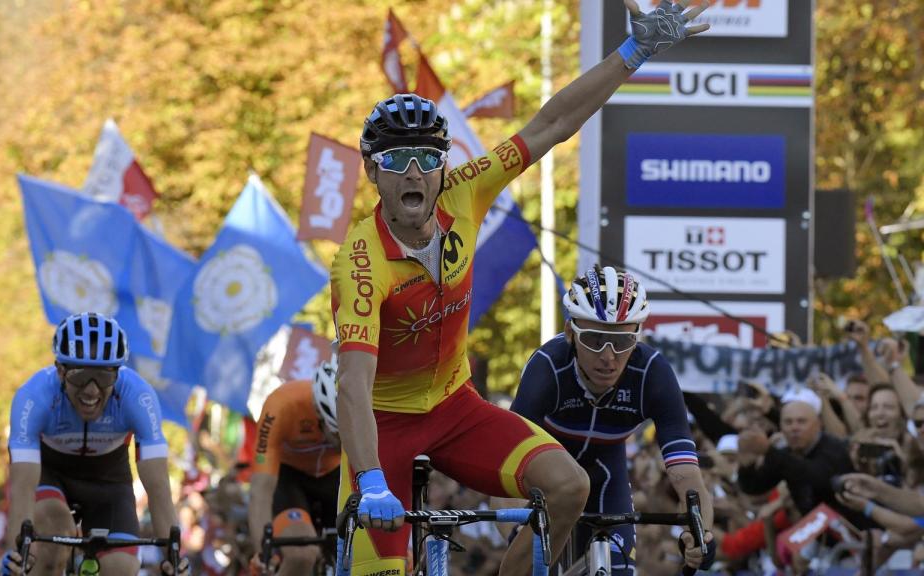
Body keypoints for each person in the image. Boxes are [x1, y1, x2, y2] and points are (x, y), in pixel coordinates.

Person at [330, 2, 711, 573]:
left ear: (442, 166)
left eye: (426, 159)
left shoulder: (465, 192)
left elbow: (552, 124)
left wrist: (633, 53)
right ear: (372, 171)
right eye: (396, 160)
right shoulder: (360, 262)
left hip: (458, 407)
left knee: (568, 486)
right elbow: (354, 386)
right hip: (383, 428)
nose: (413, 172)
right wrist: (372, 481)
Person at [511, 266, 716, 574]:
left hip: (607, 476)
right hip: (544, 479)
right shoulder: (547, 369)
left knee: (618, 569)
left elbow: (686, 474)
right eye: (594, 339)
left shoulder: (653, 374)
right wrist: (513, 531)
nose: (608, 357)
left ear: (638, 336)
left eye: (622, 341)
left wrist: (701, 534)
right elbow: (507, 464)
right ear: (570, 334)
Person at [1, 312, 189, 576]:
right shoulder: (34, 397)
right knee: (53, 538)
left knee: (121, 569)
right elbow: (21, 488)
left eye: (103, 377)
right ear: (60, 371)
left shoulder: (138, 396)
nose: (91, 390)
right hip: (51, 472)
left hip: (108, 481)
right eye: (80, 376)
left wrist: (173, 556)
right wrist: (16, 555)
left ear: (117, 372)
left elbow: (158, 489)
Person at [247, 355, 342, 576]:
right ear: (319, 416)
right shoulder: (281, 405)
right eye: (337, 434)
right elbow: (260, 492)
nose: (343, 442)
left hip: (337, 476)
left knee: (358, 553)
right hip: (290, 479)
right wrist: (264, 555)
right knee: (302, 555)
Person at [736, 388, 859, 524]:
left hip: (851, 527)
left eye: (801, 422)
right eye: (788, 422)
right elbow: (755, 487)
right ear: (781, 427)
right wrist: (746, 465)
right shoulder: (784, 453)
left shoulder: (834, 448)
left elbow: (817, 477)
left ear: (818, 424)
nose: (794, 428)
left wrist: (768, 450)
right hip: (814, 530)